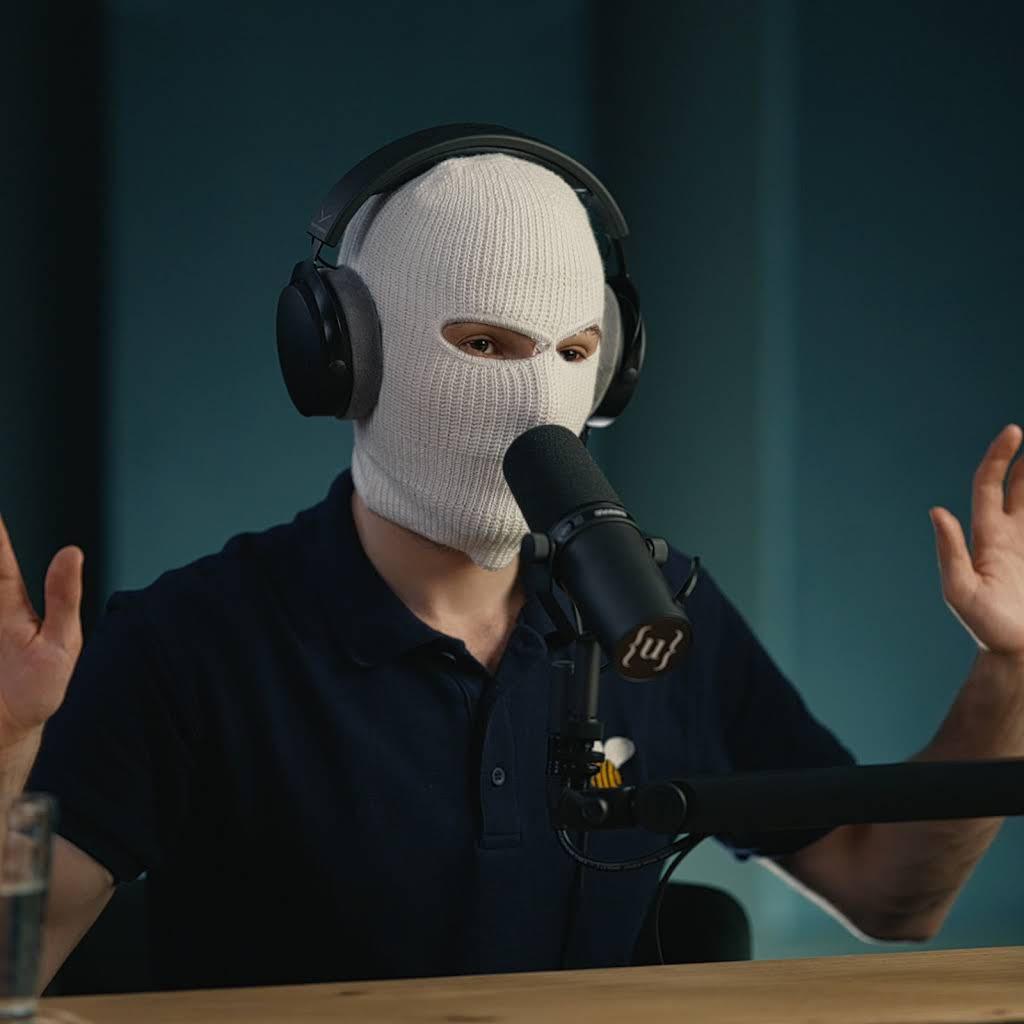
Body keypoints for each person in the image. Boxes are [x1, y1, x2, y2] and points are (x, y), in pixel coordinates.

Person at [1, 146, 1022, 993]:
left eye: (573, 350)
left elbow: (891, 894)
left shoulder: (658, 608)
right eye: (484, 343)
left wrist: (1009, 672)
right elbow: (16, 963)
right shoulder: (188, 643)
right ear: (341, 353)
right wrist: (6, 749)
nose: (535, 398)